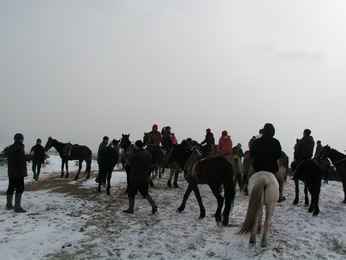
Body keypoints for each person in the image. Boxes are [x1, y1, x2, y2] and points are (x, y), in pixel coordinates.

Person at [250, 123, 284, 202]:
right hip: (272, 168)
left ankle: (249, 191)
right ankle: (280, 195)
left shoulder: (256, 142)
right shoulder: (276, 142)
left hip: (258, 167)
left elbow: (252, 154)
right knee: (280, 179)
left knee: (249, 175)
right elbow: (279, 155)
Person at [123, 140, 158, 214]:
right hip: (145, 177)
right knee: (145, 193)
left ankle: (130, 209)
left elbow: (130, 163)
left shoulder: (136, 154)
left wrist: (129, 155)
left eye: (135, 145)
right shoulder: (148, 153)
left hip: (135, 177)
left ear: (137, 146)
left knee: (131, 193)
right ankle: (153, 205)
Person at [6, 133, 30, 213]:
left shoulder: (11, 147)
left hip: (11, 171)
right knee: (20, 187)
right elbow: (22, 158)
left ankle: (9, 205)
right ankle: (17, 206)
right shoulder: (19, 148)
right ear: (20, 139)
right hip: (18, 172)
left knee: (11, 187)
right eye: (22, 139)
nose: (23, 140)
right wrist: (30, 155)